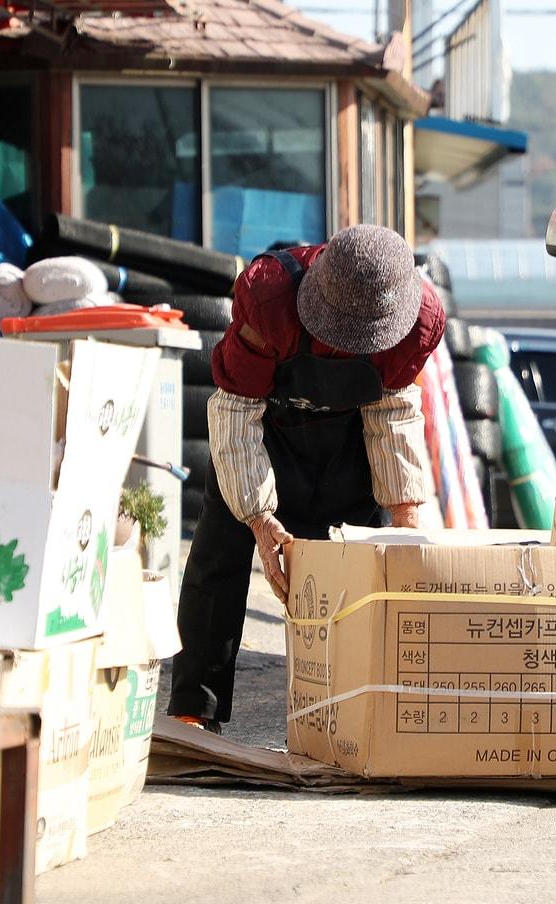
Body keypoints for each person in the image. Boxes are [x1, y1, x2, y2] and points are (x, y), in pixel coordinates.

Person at [169, 224, 446, 733]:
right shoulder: (268, 298)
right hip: (265, 435)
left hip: (352, 446)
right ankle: (194, 710)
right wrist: (257, 515)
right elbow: (235, 409)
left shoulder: (420, 321)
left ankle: (348, 717)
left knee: (359, 573)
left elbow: (394, 410)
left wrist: (407, 510)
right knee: (218, 558)